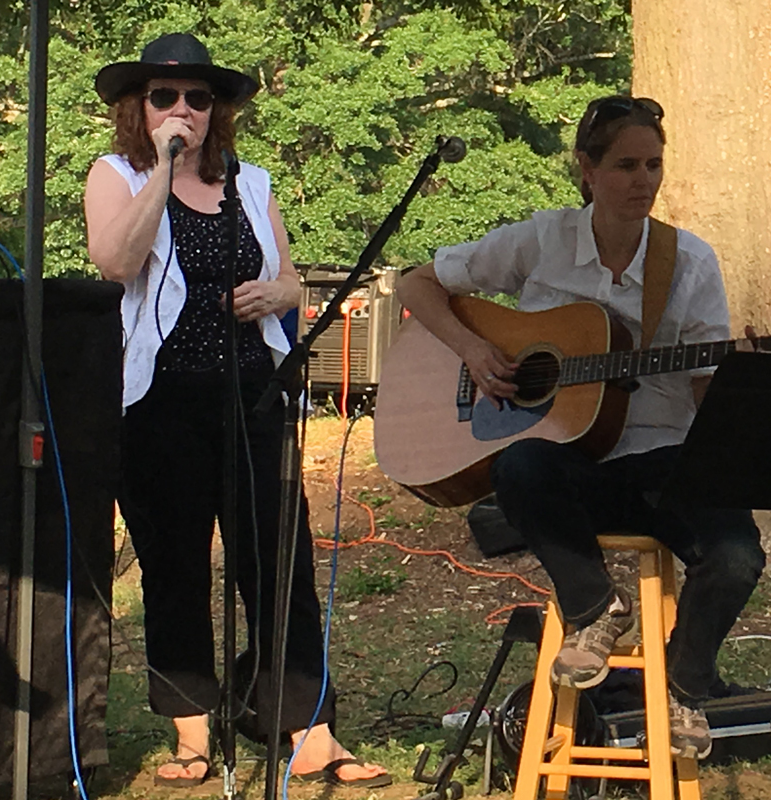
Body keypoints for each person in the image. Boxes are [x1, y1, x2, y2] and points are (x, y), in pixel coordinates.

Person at [396, 95, 766, 760]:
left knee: (738, 556)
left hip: (664, 459)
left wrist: (743, 377)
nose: (643, 181)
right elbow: (417, 284)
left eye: (654, 165)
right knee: (519, 466)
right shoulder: (541, 240)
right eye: (626, 165)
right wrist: (476, 351)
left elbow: (708, 389)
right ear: (587, 171)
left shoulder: (689, 263)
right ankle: (597, 610)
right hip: (571, 465)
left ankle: (684, 687)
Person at [84, 33, 390, 788]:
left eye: (198, 97)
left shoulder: (250, 183)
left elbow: (290, 279)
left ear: (218, 109)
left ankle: (309, 730)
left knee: (279, 560)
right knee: (175, 565)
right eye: (165, 96)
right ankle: (193, 733)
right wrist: (164, 167)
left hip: (253, 391)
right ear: (139, 108)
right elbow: (116, 263)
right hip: (159, 401)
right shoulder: (116, 174)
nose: (183, 108)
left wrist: (282, 294)